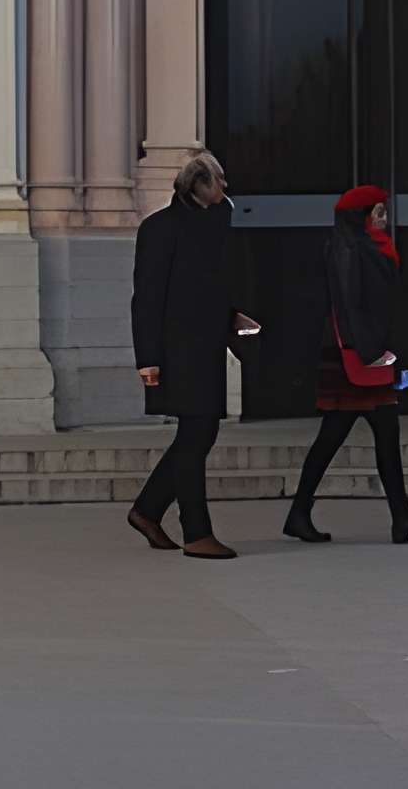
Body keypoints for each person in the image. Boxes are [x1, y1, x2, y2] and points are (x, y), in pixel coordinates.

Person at [284, 183, 408, 545]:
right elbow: (350, 304)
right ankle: (395, 518)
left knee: (365, 433)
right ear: (362, 215)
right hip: (356, 353)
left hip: (366, 351)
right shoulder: (349, 249)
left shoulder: (367, 246)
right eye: (379, 212)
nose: (385, 219)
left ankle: (399, 517)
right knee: (344, 435)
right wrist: (369, 351)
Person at [129, 148, 258, 560]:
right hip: (176, 349)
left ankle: (148, 510)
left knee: (198, 433)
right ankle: (196, 532)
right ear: (199, 186)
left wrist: (234, 316)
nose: (225, 187)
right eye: (218, 180)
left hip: (204, 345)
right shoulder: (161, 228)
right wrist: (147, 358)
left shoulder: (216, 226)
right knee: (196, 433)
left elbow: (212, 287)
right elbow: (147, 298)